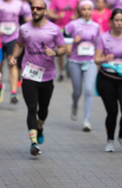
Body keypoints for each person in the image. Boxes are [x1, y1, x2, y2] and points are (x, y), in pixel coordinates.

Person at [10, 0, 66, 156]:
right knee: (31, 108)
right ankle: (33, 142)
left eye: (38, 8)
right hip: (29, 74)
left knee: (43, 110)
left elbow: (63, 48)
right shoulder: (24, 28)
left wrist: (55, 53)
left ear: (45, 11)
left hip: (47, 76)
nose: (35, 10)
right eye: (33, 8)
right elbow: (19, 45)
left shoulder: (54, 29)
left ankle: (40, 126)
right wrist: (14, 57)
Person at [64, 0, 100, 132]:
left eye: (89, 9)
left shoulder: (96, 26)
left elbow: (98, 44)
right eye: (83, 9)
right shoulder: (73, 24)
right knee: (77, 91)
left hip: (90, 61)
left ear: (92, 11)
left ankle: (87, 120)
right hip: (75, 61)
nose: (86, 11)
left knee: (89, 91)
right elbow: (61, 36)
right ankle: (74, 105)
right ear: (80, 10)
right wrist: (73, 41)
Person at [0, 0, 32, 104]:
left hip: (13, 38)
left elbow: (28, 18)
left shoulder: (20, 4)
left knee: (12, 62)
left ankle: (13, 92)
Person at [94, 8, 122, 152]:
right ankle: (110, 140)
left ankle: (121, 135)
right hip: (106, 79)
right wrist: (104, 58)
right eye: (117, 20)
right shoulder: (104, 38)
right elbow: (96, 59)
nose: (119, 23)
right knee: (112, 112)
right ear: (111, 22)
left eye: (121, 20)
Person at [48, 0, 79, 82]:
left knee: (69, 51)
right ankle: (61, 72)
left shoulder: (75, 1)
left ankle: (68, 68)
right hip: (60, 28)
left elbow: (79, 12)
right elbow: (50, 13)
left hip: (71, 28)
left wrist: (76, 16)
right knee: (61, 51)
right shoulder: (56, 1)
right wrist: (58, 16)